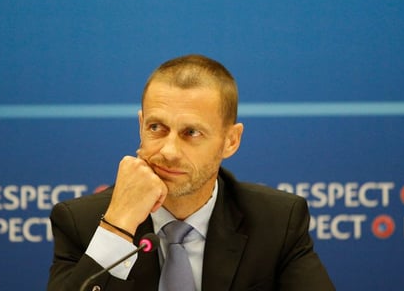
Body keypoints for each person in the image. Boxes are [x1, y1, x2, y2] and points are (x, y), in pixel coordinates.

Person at [47, 54, 335, 291]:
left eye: (191, 133)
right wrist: (118, 227)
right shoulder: (82, 223)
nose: (169, 151)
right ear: (140, 126)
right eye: (156, 127)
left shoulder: (277, 222)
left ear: (231, 141)